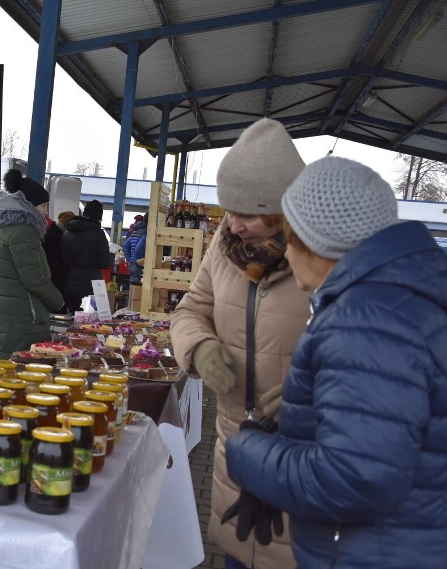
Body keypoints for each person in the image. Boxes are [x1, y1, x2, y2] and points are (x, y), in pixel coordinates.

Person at [226, 156, 447, 569]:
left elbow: (355, 480)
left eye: (291, 241)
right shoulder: (410, 290)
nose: (287, 256)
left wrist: (247, 453)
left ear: (320, 244)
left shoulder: (367, 320)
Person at [170, 118, 310, 569]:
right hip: (234, 449)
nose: (233, 225)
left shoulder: (323, 256)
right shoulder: (224, 247)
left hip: (301, 457)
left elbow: (364, 356)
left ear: (283, 213)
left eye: (247, 214)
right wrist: (197, 346)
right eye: (228, 209)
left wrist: (312, 397)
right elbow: (191, 310)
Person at [0, 169, 64, 359]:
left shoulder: (9, 228)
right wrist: (59, 302)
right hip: (23, 320)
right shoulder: (23, 232)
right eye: (43, 206)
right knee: (19, 375)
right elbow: (33, 278)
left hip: (11, 318)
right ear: (29, 206)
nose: (46, 212)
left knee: (5, 374)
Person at [61, 199, 115, 313]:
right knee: (90, 325)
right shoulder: (98, 234)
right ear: (99, 216)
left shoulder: (68, 232)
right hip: (93, 286)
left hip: (71, 282)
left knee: (72, 322)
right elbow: (105, 263)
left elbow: (63, 259)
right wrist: (111, 255)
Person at [43, 210, 75, 301]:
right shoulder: (56, 236)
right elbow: (57, 259)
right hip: (56, 275)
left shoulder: (53, 232)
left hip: (55, 273)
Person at [122, 212, 148, 284]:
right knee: (137, 288)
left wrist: (129, 260)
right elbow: (139, 249)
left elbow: (125, 245)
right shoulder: (146, 232)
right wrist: (138, 261)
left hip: (132, 264)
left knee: (133, 287)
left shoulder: (135, 231)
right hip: (139, 265)